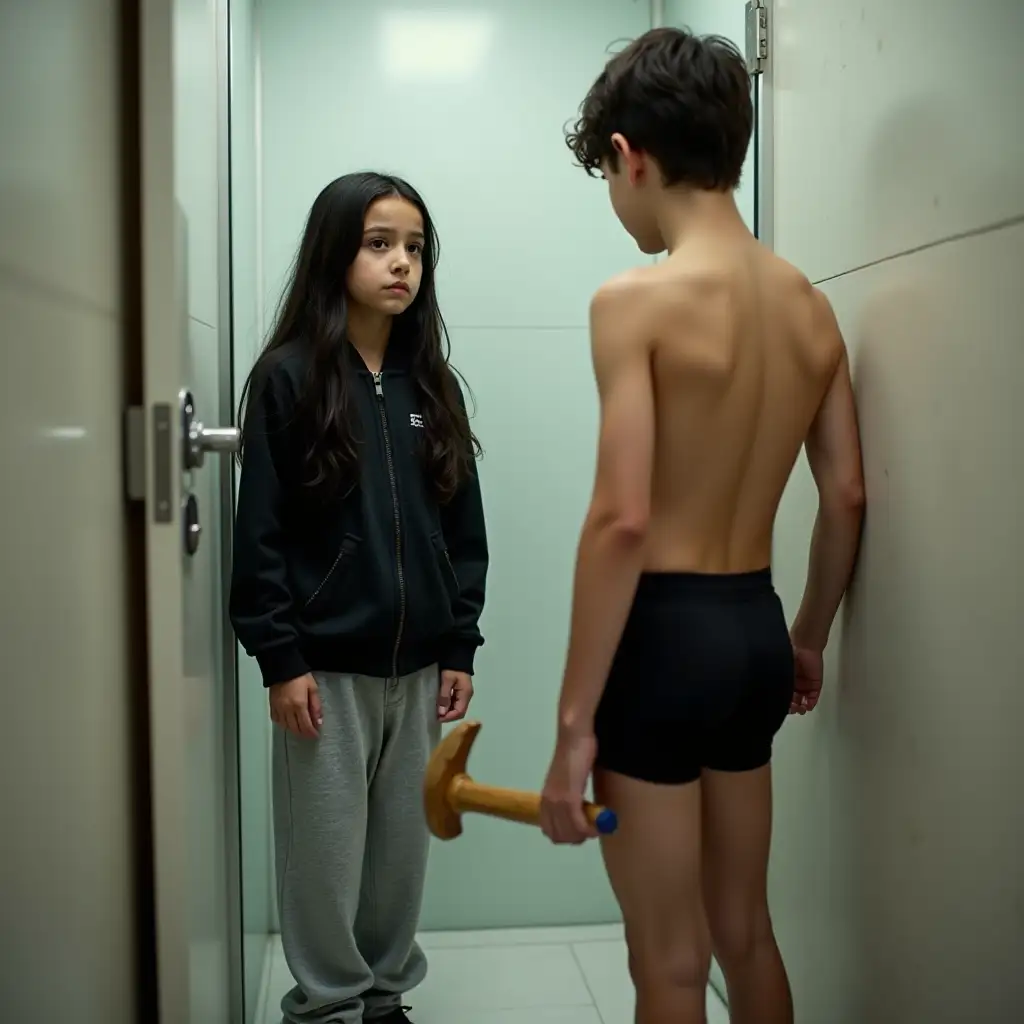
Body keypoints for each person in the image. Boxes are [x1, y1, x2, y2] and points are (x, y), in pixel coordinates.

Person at [538, 27, 865, 1024]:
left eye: (607, 172)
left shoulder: (633, 303)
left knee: (669, 962)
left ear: (629, 155)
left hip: (662, 646)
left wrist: (570, 729)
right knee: (745, 931)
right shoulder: (810, 310)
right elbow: (846, 494)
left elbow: (622, 517)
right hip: (754, 632)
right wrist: (805, 634)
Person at [230, 171, 488, 1024]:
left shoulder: (433, 384)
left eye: (415, 248)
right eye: (380, 244)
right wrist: (281, 659)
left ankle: (384, 1002)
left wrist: (460, 644)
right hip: (325, 672)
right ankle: (328, 1006)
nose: (400, 264)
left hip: (418, 670)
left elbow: (463, 533)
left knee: (399, 857)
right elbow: (259, 534)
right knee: (326, 856)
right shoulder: (289, 379)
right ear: (335, 252)